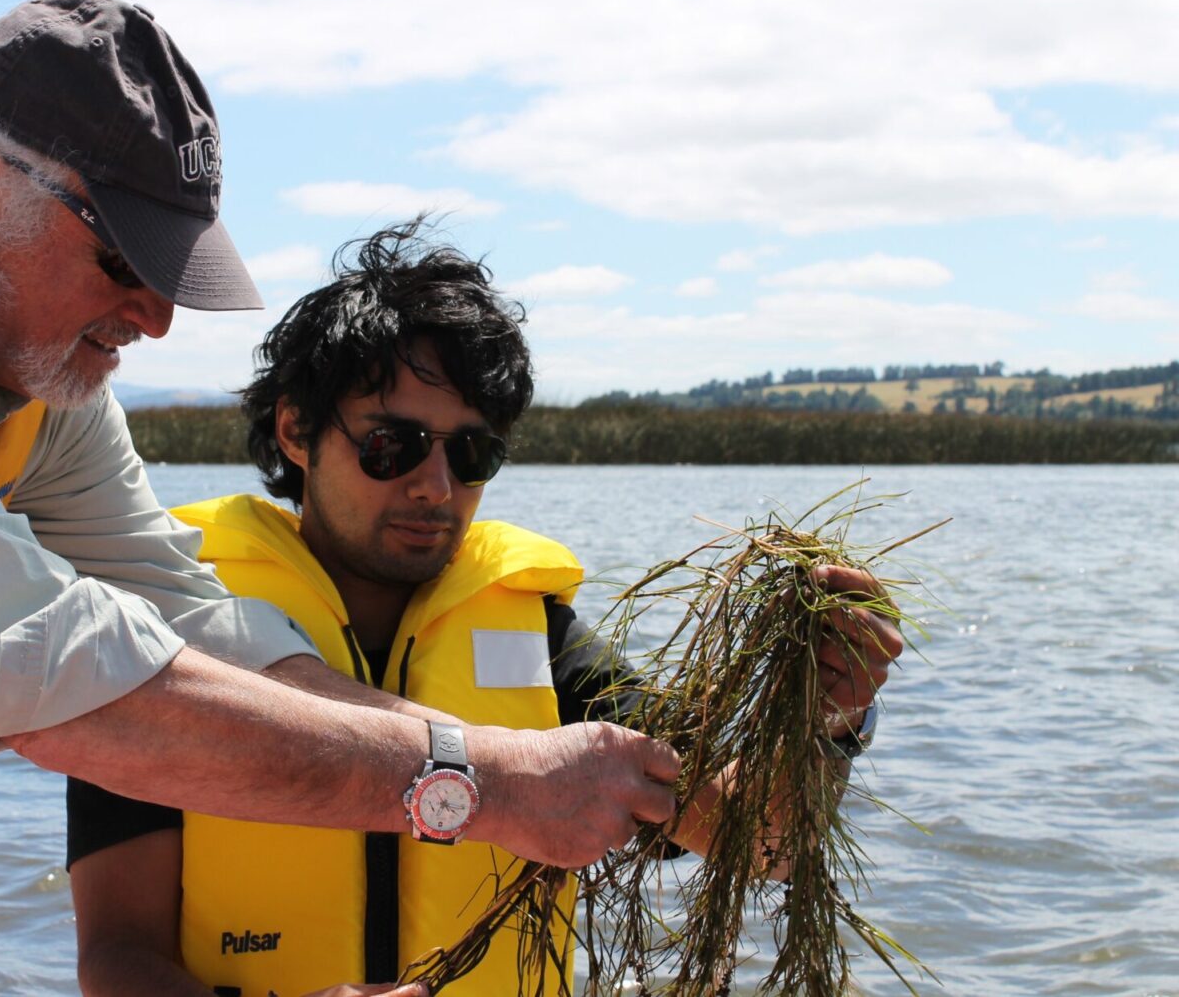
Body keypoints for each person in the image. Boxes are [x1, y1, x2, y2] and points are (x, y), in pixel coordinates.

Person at [0, 0, 682, 997]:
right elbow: (52, 675)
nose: (157, 317)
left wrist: (503, 761)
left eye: (174, 270)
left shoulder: (38, 377)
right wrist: (488, 785)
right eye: (122, 258)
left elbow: (191, 620)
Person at [65, 222, 901, 996]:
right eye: (391, 446)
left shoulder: (540, 638)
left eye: (472, 453)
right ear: (295, 431)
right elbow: (116, 953)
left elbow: (762, 843)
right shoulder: (172, 629)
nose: (436, 487)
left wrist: (828, 717)